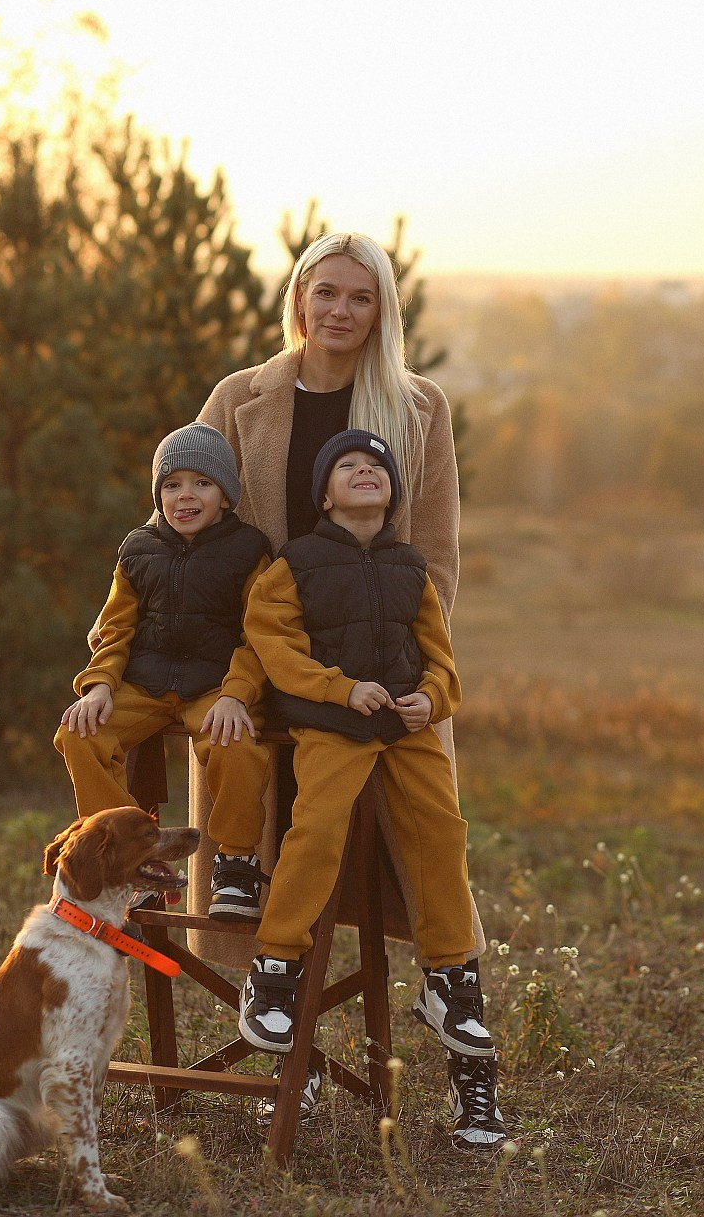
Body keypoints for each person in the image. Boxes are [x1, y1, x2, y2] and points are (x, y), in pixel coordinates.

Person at [233, 430, 506, 1150]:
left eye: (376, 467)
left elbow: (441, 658)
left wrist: (433, 699)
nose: (364, 472)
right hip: (332, 721)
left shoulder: (410, 566)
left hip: (406, 726)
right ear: (323, 495)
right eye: (347, 466)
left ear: (393, 492)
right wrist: (340, 688)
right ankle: (275, 967)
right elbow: (274, 644)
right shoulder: (296, 562)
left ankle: (449, 983)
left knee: (442, 833)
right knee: (316, 831)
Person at [55, 422, 275, 919]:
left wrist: (238, 693)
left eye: (202, 483)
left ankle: (237, 864)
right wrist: (99, 685)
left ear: (225, 496)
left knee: (237, 747)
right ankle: (135, 854)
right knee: (80, 733)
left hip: (215, 687)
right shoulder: (138, 549)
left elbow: (261, 634)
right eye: (172, 485)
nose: (186, 496)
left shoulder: (249, 550)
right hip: (146, 684)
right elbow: (115, 627)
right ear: (158, 494)